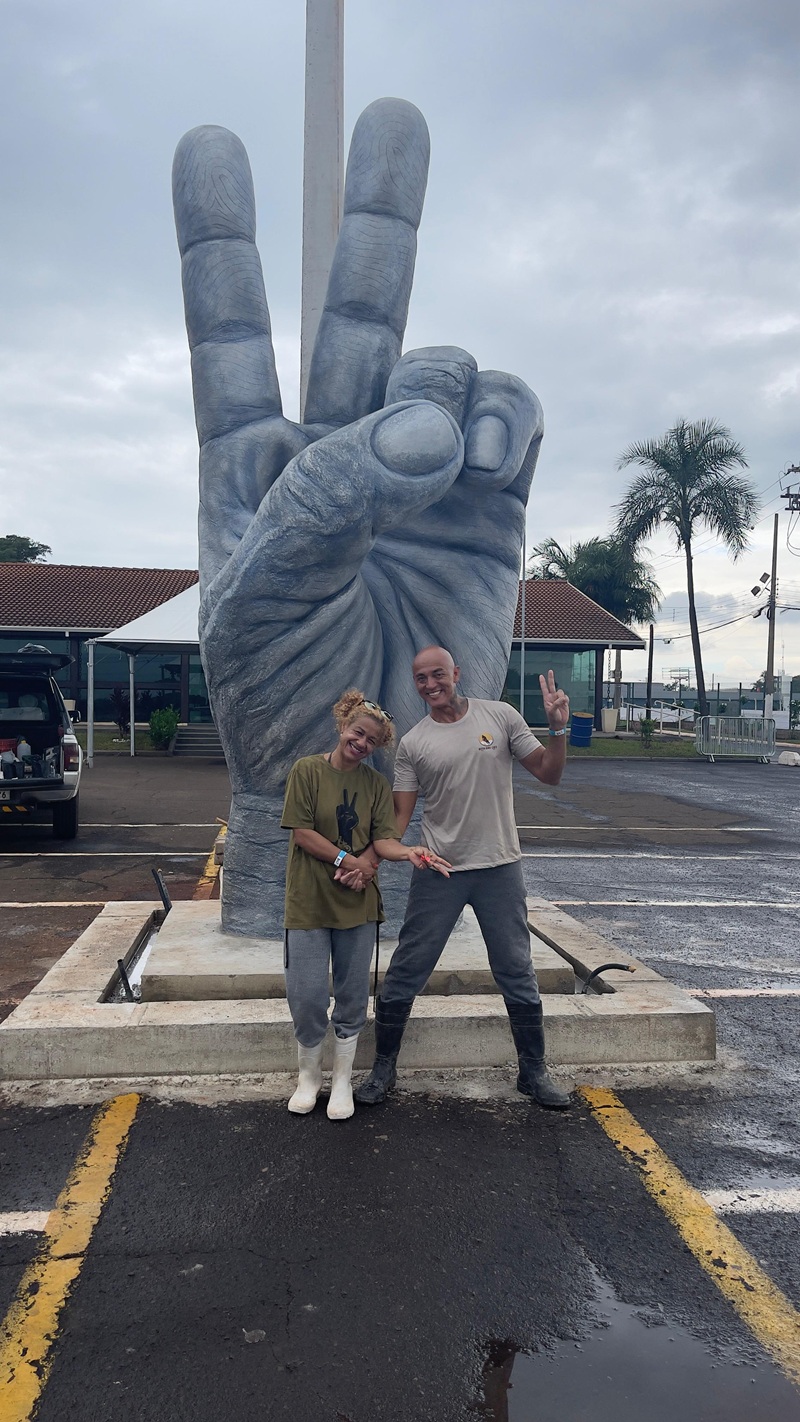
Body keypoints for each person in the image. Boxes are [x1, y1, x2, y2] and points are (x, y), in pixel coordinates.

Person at [355, 646, 572, 1111]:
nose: (431, 684)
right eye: (420, 679)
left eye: (438, 674)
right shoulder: (413, 743)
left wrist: (556, 729)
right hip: (440, 870)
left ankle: (533, 1073)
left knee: (516, 970)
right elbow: (398, 819)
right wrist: (365, 854)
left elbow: (549, 775)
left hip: (499, 868)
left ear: (456, 673)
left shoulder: (501, 716)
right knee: (408, 969)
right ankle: (383, 1069)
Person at [281, 689, 449, 1122]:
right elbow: (301, 832)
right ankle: (308, 1077)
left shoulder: (375, 784)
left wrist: (407, 853)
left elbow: (382, 840)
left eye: (371, 741)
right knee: (307, 994)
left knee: (354, 995)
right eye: (357, 733)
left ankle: (341, 1080)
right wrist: (347, 859)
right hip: (308, 901)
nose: (362, 743)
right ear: (342, 727)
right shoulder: (305, 772)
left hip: (357, 905)